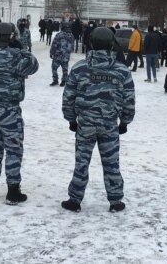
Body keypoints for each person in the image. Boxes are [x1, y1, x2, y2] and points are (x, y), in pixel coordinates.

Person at [60, 27, 135, 213]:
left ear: (91, 43)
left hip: (85, 124)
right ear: (112, 44)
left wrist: (71, 119)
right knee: (111, 163)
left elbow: (68, 96)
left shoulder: (80, 68)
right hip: (109, 125)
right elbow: (129, 99)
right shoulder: (122, 70)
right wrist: (125, 122)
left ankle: (75, 200)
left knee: (81, 162)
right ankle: (116, 201)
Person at [0, 23, 39, 204]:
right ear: (10, 36)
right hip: (9, 108)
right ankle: (13, 190)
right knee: (13, 147)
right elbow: (33, 66)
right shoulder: (14, 55)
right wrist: (23, 49)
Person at [49, 22, 74, 86]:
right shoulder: (71, 36)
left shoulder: (59, 35)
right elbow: (72, 47)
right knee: (65, 69)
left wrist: (51, 52)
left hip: (58, 55)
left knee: (54, 68)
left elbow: (54, 44)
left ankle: (55, 80)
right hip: (66, 56)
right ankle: (64, 81)